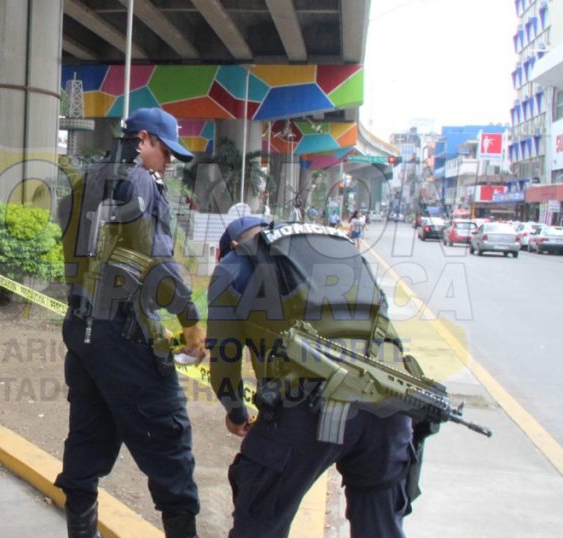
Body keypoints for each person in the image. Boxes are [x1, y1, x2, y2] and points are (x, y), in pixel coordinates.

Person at [208, 217, 418, 538]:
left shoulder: (233, 266)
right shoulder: (338, 247)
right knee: (381, 528)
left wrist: (236, 412)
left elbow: (225, 362)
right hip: (388, 400)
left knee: (261, 520)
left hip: (307, 406)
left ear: (232, 247)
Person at [54, 108, 206, 538]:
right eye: (166, 150)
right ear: (145, 140)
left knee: (87, 437)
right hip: (127, 332)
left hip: (84, 330)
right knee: (169, 444)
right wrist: (190, 318)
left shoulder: (89, 178)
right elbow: (153, 259)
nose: (170, 162)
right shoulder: (139, 178)